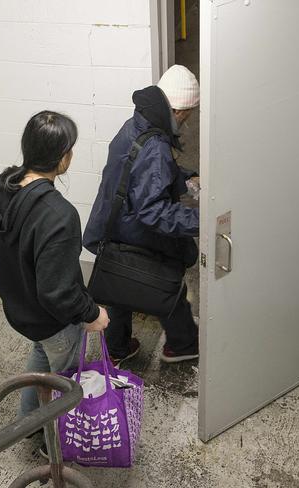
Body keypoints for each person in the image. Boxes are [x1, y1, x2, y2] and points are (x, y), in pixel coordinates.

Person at [0, 111, 109, 424]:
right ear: (62, 159)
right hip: (54, 321)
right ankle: (54, 443)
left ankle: (26, 424)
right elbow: (57, 292)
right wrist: (91, 314)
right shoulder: (58, 215)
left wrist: (16, 287)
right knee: (65, 384)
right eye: (70, 150)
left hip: (22, 312)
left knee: (41, 356)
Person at [83, 65, 200, 364]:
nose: (188, 120)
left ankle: (119, 350)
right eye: (189, 113)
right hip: (132, 228)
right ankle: (183, 345)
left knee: (117, 285)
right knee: (170, 281)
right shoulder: (157, 147)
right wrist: (200, 220)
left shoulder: (135, 124)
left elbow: (140, 174)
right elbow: (154, 212)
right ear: (178, 110)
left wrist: (185, 178)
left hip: (110, 224)